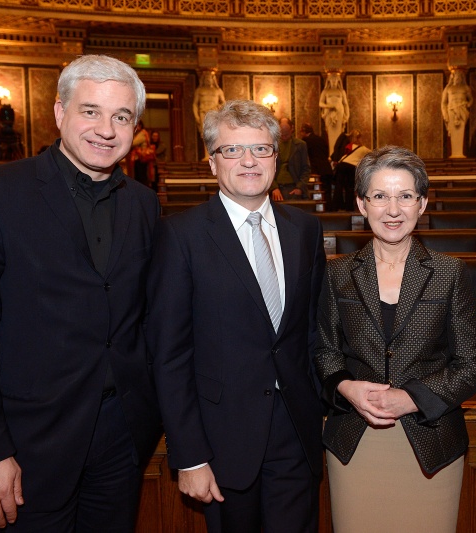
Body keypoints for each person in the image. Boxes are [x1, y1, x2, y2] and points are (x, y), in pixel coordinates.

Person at [0, 54, 162, 531]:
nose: (105, 129)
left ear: (135, 127)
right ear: (60, 113)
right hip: (24, 445)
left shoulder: (144, 204)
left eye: (121, 117)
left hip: (121, 437)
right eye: (90, 111)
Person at [147, 99, 326, 533]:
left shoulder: (304, 229)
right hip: (222, 437)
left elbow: (313, 330)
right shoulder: (179, 235)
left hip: (296, 431)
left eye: (261, 149)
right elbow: (169, 356)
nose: (249, 161)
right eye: (232, 150)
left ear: (275, 156)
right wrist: (189, 454)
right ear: (212, 162)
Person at [315, 145, 476, 533]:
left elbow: (474, 363)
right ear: (362, 203)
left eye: (405, 196)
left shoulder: (449, 273)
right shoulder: (338, 273)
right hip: (354, 439)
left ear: (422, 203)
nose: (392, 210)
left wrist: (412, 397)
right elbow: (325, 350)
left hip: (431, 441)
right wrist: (345, 387)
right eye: (380, 196)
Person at [270, 117, 310, 201]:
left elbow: (306, 169)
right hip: (277, 189)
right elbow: (267, 169)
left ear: (291, 129)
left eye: (286, 134)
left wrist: (299, 187)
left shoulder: (300, 145)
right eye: (282, 134)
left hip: (294, 187)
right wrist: (274, 188)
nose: (284, 137)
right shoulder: (271, 146)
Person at [332, 129, 369, 212]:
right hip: (352, 167)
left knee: (338, 187)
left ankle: (334, 208)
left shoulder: (349, 146)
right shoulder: (363, 149)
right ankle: (349, 208)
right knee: (350, 188)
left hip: (342, 165)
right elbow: (373, 155)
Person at [193, 70, 226, 160]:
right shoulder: (199, 90)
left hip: (214, 113)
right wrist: (196, 116)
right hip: (203, 112)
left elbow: (223, 103)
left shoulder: (218, 91)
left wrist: (220, 109)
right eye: (206, 78)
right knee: (205, 134)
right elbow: (195, 104)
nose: (208, 80)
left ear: (213, 80)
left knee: (215, 134)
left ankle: (215, 154)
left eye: (209, 78)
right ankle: (207, 155)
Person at [441, 70, 473, 158]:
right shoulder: (448, 89)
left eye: (459, 77)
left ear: (462, 78)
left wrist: (468, 104)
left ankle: (460, 153)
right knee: (454, 131)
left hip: (462, 110)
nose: (458, 78)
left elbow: (470, 100)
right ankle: (454, 154)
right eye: (456, 77)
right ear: (453, 78)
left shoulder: (466, 88)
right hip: (451, 111)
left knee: (461, 131)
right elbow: (443, 103)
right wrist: (445, 115)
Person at [319, 72, 350, 157]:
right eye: (331, 80)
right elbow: (320, 103)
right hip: (329, 113)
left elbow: (346, 104)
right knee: (330, 133)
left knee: (339, 133)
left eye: (335, 80)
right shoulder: (325, 91)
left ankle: (338, 154)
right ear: (328, 81)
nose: (333, 82)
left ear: (338, 81)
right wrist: (330, 106)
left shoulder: (342, 91)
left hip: (339, 112)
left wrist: (347, 115)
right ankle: (331, 154)